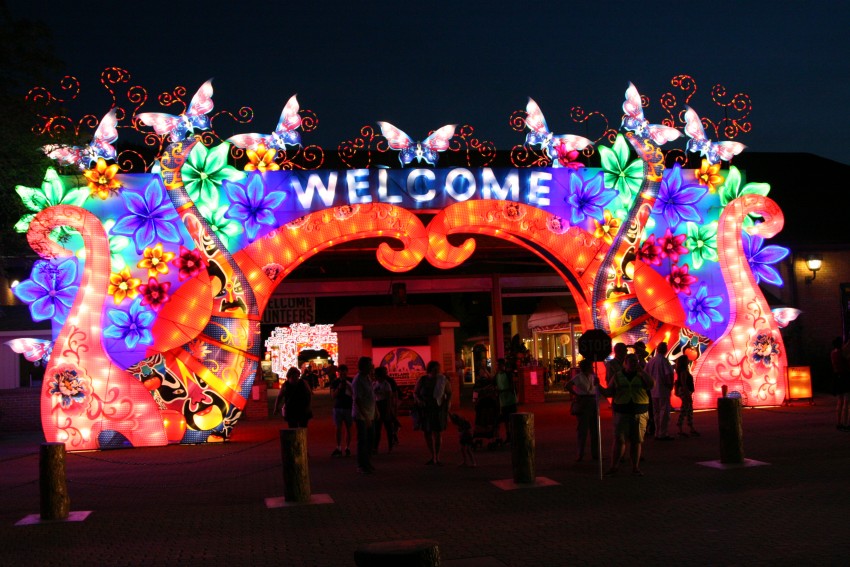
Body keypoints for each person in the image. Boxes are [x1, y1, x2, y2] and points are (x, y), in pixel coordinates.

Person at [595, 353, 654, 476]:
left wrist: (642, 372)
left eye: (635, 361)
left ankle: (635, 468)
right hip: (621, 412)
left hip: (639, 411)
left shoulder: (642, 375)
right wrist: (598, 386)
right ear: (625, 363)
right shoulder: (617, 376)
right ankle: (614, 466)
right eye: (631, 361)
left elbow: (651, 385)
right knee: (619, 440)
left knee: (636, 441)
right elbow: (609, 392)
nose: (633, 363)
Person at [414, 360, 452, 465]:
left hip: (438, 408)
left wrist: (447, 404)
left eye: (438, 369)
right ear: (430, 370)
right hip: (426, 408)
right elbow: (416, 393)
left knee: (437, 431)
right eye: (435, 369)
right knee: (427, 432)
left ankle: (437, 456)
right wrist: (419, 401)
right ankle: (432, 454)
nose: (437, 371)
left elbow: (449, 393)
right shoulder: (423, 379)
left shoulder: (442, 380)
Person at [565, 359, 599, 461]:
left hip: (592, 400)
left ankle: (595, 453)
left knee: (595, 429)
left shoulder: (593, 376)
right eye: (590, 367)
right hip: (584, 401)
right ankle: (580, 454)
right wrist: (577, 394)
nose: (592, 368)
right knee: (582, 429)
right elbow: (568, 385)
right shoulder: (579, 377)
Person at [351, 356, 376, 473]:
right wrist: (366, 416)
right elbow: (358, 400)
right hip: (362, 416)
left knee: (370, 439)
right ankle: (362, 465)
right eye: (370, 365)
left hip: (369, 414)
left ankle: (367, 462)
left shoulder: (367, 378)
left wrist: (376, 411)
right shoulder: (358, 380)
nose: (372, 367)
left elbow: (371, 395)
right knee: (363, 440)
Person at [646, 342, 675, 441]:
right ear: (665, 349)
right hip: (663, 389)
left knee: (656, 412)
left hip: (653, 390)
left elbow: (646, 374)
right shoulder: (664, 361)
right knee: (664, 412)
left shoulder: (651, 361)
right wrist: (670, 385)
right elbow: (668, 374)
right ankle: (662, 433)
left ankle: (657, 432)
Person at [330, 364, 353, 457]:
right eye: (341, 371)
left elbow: (354, 393)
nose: (342, 373)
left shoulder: (351, 381)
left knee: (349, 428)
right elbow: (333, 396)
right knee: (338, 428)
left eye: (344, 371)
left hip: (348, 407)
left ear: (347, 372)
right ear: (338, 372)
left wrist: (348, 386)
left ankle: (347, 447)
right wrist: (339, 388)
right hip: (338, 407)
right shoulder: (335, 382)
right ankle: (338, 447)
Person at [372, 366, 396, 453]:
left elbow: (389, 398)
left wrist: (388, 410)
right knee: (377, 428)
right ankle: (375, 447)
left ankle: (390, 445)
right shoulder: (374, 384)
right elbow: (373, 396)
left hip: (384, 405)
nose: (375, 377)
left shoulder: (386, 385)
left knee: (388, 427)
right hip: (377, 405)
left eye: (377, 375)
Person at [494, 358, 518, 443]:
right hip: (503, 402)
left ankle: (514, 436)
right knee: (506, 421)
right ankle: (509, 436)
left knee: (512, 419)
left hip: (510, 401)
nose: (496, 366)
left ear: (502, 365)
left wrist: (502, 391)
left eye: (497, 365)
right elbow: (494, 384)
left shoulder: (508, 374)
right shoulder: (497, 375)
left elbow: (512, 387)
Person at [674, 355, 699, 437]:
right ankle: (680, 426)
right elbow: (684, 383)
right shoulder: (683, 371)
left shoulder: (682, 370)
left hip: (685, 391)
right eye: (687, 360)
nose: (688, 361)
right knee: (685, 409)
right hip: (685, 391)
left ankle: (691, 427)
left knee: (689, 409)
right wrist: (687, 395)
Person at [830, 337, 850, 431]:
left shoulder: (833, 353)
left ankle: (839, 422)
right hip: (845, 376)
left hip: (836, 376)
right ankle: (846, 423)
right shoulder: (842, 354)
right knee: (846, 401)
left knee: (840, 401)